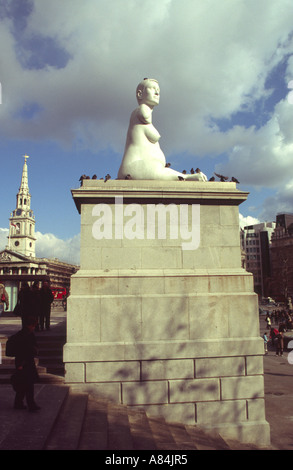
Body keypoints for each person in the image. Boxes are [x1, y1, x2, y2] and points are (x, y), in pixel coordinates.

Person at [118, 78, 206, 181]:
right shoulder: (141, 109)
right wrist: (146, 111)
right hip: (135, 168)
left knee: (164, 171)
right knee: (167, 173)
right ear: (140, 94)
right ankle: (186, 177)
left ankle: (185, 177)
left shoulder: (143, 113)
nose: (157, 93)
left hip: (147, 168)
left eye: (158, 91)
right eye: (152, 89)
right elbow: (143, 114)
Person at [12, 316, 40, 411]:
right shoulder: (27, 335)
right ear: (30, 325)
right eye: (34, 326)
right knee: (28, 385)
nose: (34, 328)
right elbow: (26, 350)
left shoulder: (22, 334)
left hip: (22, 362)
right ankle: (31, 405)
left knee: (23, 384)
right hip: (26, 363)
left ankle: (18, 403)